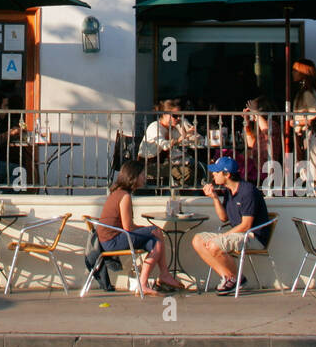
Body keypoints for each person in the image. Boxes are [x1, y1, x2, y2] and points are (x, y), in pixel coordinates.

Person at [94, 159, 186, 296]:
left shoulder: (117, 193)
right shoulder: (124, 196)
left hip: (109, 239)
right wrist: (148, 229)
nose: (144, 177)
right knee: (157, 232)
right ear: (133, 177)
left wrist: (146, 230)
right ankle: (164, 275)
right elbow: (128, 227)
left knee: (155, 243)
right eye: (142, 174)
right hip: (112, 241)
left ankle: (145, 283)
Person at [191, 156, 272, 295]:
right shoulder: (229, 191)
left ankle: (233, 279)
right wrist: (214, 198)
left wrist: (222, 237)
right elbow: (224, 218)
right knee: (197, 240)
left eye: (217, 172)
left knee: (214, 245)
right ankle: (232, 278)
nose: (213, 175)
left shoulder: (248, 191)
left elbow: (246, 225)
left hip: (253, 236)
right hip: (237, 234)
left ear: (227, 174)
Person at [139, 98, 200, 187]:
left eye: (180, 115)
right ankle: (180, 193)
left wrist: (189, 130)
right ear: (165, 114)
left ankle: (180, 191)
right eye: (175, 116)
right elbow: (165, 145)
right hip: (150, 165)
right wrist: (180, 139)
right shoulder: (155, 127)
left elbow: (196, 138)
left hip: (167, 163)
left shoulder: (173, 128)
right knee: (187, 172)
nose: (178, 118)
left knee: (197, 166)